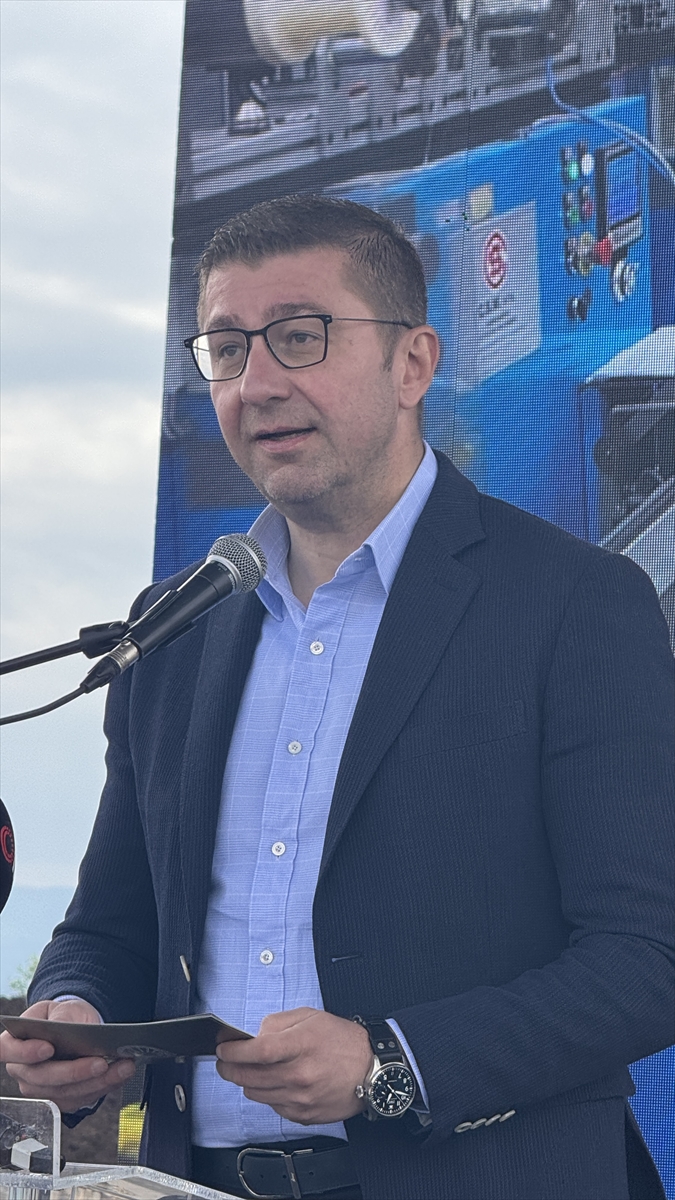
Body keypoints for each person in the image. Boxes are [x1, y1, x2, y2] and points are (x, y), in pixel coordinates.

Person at [2, 196, 673, 1200]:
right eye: (227, 348)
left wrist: (390, 1062)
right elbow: (109, 928)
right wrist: (75, 1012)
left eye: (300, 337)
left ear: (413, 364)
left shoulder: (574, 602)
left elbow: (648, 955)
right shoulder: (171, 630)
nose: (257, 382)